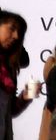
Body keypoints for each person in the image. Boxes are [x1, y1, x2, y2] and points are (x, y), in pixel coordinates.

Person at [0, 10, 37, 140]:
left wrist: (25, 97)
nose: (15, 36)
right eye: (11, 28)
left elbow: (10, 111)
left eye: (19, 33)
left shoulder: (8, 68)